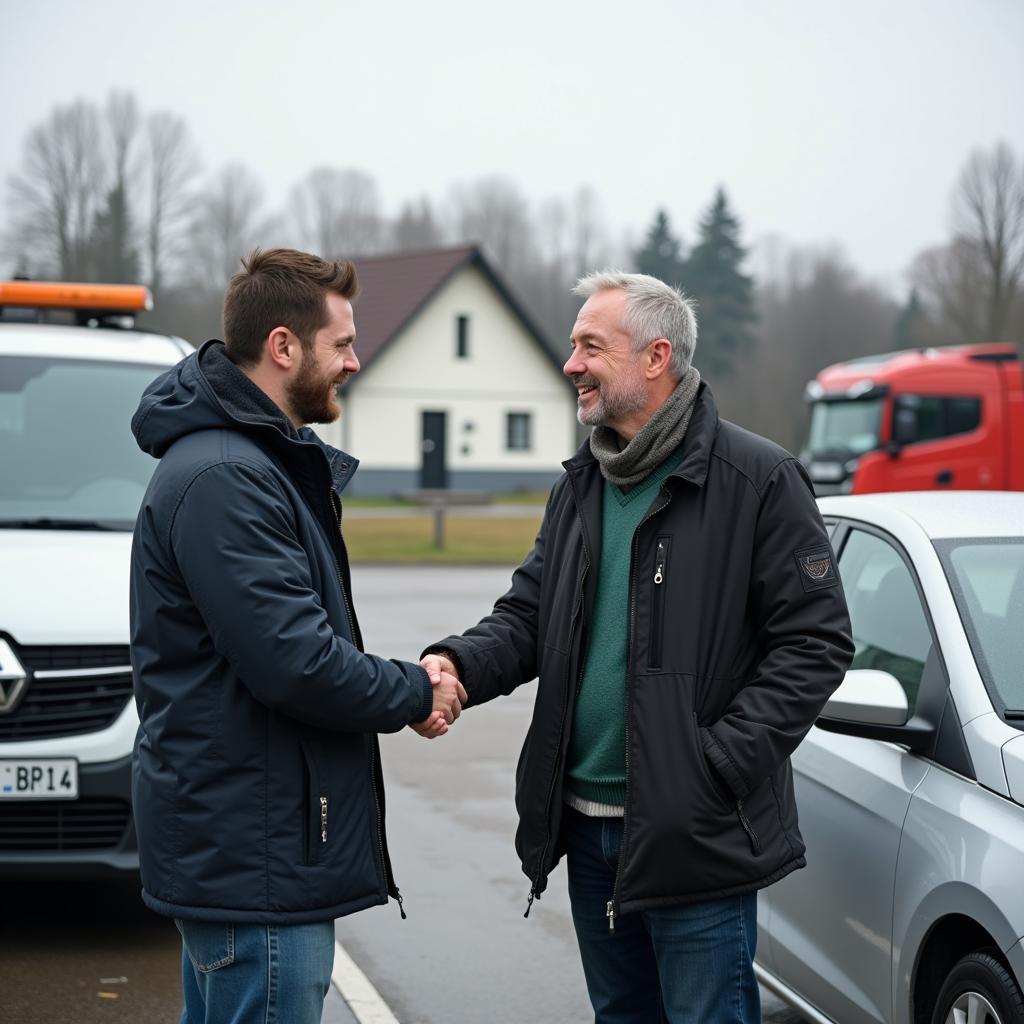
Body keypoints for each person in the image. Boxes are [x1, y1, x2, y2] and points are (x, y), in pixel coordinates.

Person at [420, 272, 854, 1024]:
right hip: (586, 830)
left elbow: (815, 642)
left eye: (591, 345)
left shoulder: (758, 480)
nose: (571, 363)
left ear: (656, 358)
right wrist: (457, 663)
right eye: (572, 345)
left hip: (696, 835)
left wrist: (715, 766)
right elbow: (529, 616)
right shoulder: (582, 484)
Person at [129, 247, 464, 1024]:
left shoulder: (247, 463)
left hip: (252, 845)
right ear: (284, 347)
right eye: (342, 344)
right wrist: (417, 689)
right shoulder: (226, 477)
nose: (353, 361)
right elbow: (295, 662)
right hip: (259, 863)